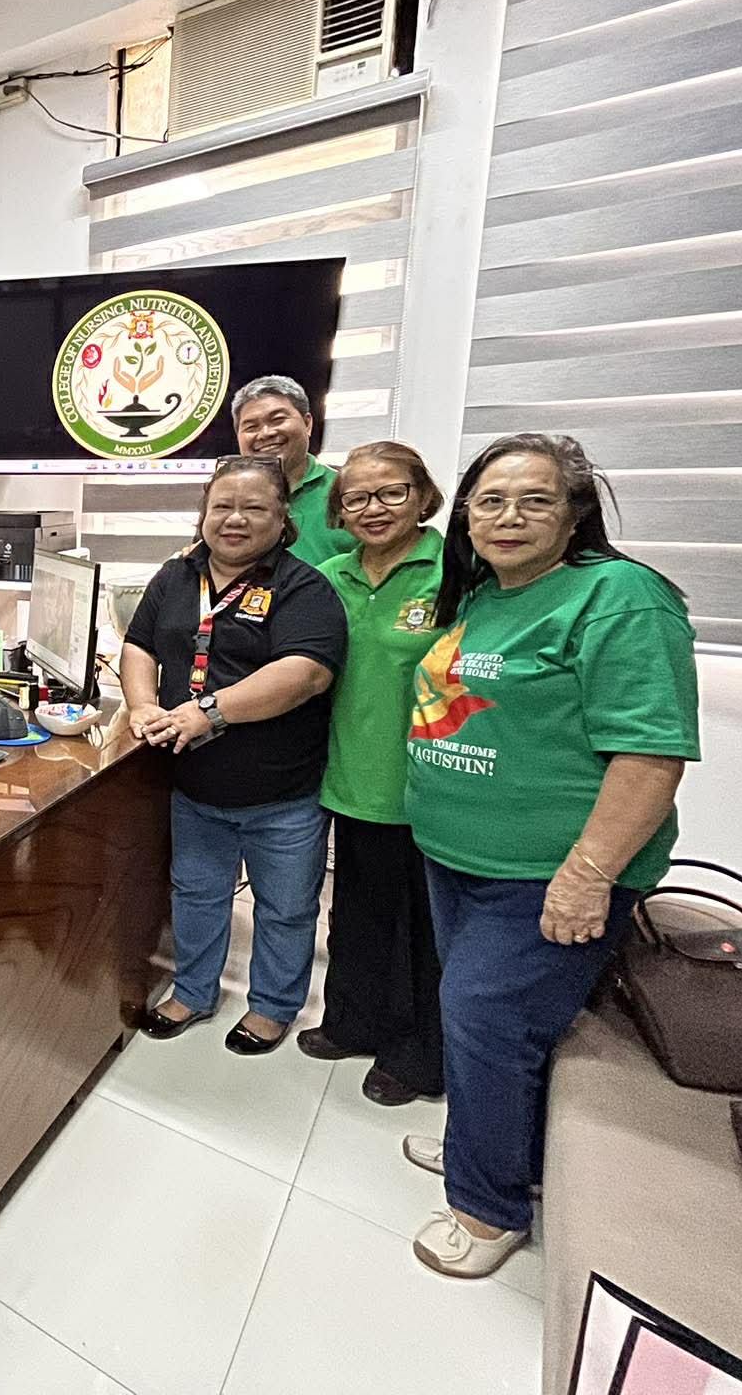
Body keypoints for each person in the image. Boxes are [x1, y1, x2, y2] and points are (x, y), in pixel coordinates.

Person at [403, 433, 699, 1279]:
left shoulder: (620, 597)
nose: (509, 517)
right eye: (491, 500)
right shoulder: (484, 594)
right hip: (459, 854)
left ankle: (487, 1208)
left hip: (548, 869)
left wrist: (587, 875)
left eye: (535, 500)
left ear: (576, 514)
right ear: (466, 513)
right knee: (487, 1022)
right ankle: (491, 1145)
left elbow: (651, 755)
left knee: (486, 1016)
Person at [121, 456, 347, 1054]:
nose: (235, 519)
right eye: (223, 506)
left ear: (283, 516)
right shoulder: (177, 576)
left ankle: (272, 1006)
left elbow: (305, 673)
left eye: (254, 508)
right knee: (196, 895)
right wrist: (142, 703)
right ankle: (194, 992)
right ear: (204, 513)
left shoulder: (303, 587)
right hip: (195, 785)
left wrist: (209, 712)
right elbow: (139, 644)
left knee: (285, 908)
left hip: (282, 792)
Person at [299, 441, 448, 1106]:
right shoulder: (331, 575)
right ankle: (352, 1022)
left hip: (427, 784)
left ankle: (416, 1056)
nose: (373, 508)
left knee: (422, 933)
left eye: (391, 492)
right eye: (356, 497)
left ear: (422, 496)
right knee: (357, 914)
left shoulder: (454, 570)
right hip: (349, 774)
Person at [230, 375, 357, 567]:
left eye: (277, 420)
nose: (266, 433)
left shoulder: (349, 492)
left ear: (307, 424)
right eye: (251, 427)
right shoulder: (227, 500)